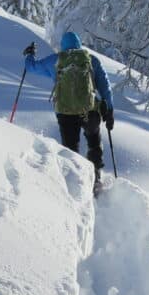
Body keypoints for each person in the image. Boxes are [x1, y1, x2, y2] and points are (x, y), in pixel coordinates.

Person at [23, 32, 114, 190]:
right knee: (94, 143)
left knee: (71, 148)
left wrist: (29, 55)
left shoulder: (56, 60)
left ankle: (75, 184)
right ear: (79, 44)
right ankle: (96, 179)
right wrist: (109, 110)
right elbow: (105, 87)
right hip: (90, 111)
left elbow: (31, 68)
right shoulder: (91, 60)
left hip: (65, 113)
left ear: (63, 46)